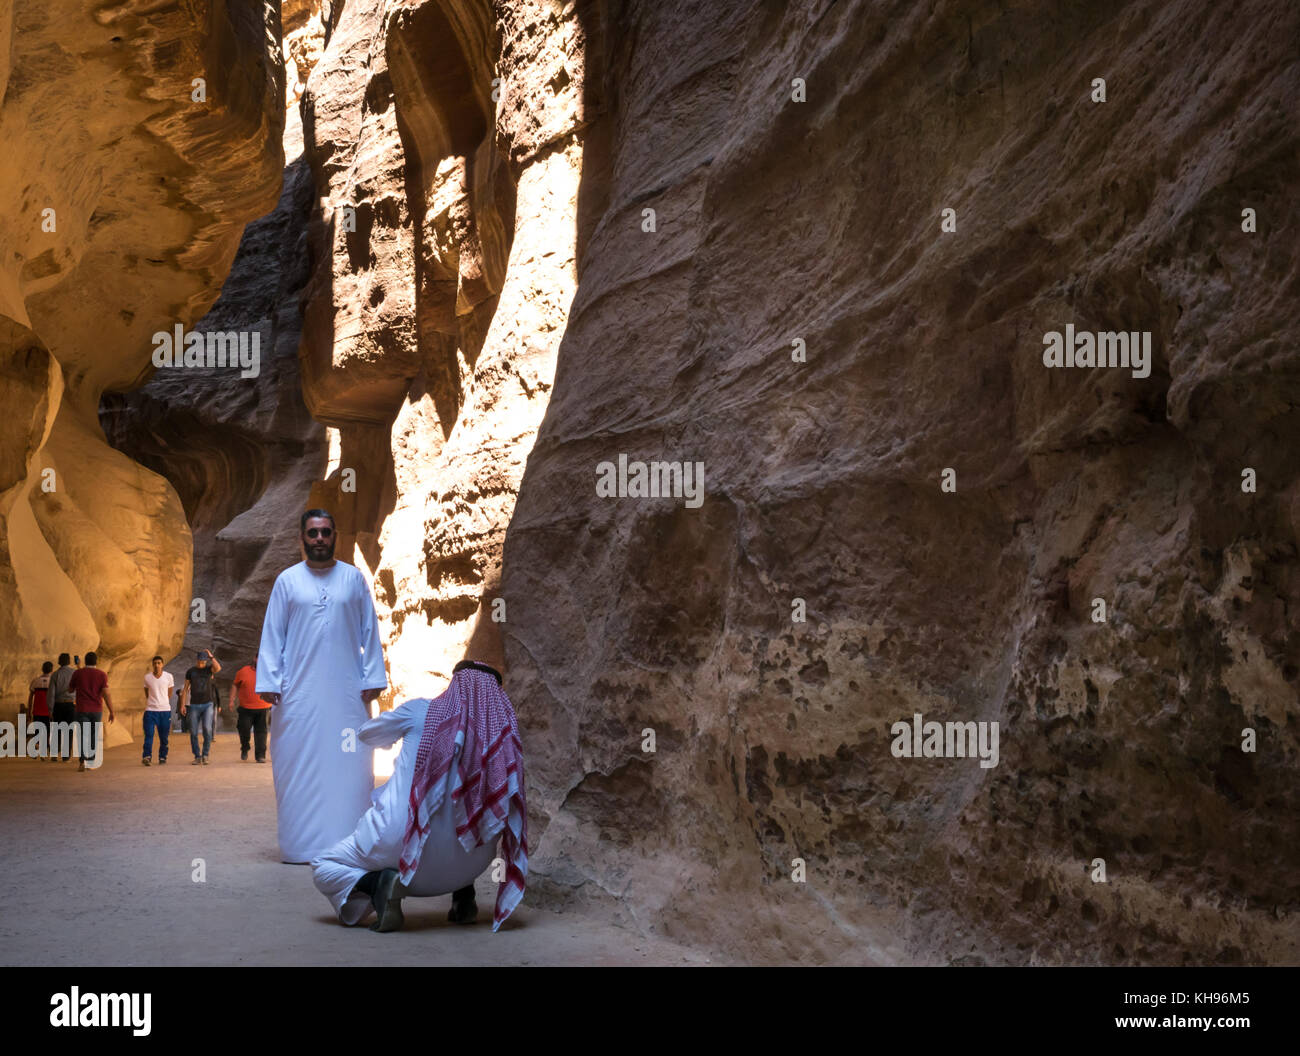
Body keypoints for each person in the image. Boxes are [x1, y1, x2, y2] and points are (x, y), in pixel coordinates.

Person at [310, 660, 527, 932]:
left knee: (323, 864)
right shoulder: (503, 736)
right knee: (469, 812)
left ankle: (380, 885)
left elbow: (367, 734)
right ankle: (463, 897)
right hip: (473, 863)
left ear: (454, 684)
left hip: (398, 849)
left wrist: (396, 736)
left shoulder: (419, 711)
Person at [256, 509, 387, 863]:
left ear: (334, 536)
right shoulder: (287, 581)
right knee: (295, 763)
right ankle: (301, 847)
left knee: (351, 765)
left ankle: (350, 846)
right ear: (302, 537)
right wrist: (269, 680)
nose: (319, 539)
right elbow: (273, 634)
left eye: (325, 532)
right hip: (298, 695)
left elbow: (369, 631)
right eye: (313, 533)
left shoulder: (353, 579)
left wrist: (373, 677)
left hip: (347, 693)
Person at [68, 651, 115, 772]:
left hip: (81, 709)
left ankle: (82, 761)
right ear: (96, 661)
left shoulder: (78, 673)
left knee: (82, 735)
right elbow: (106, 694)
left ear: (85, 661)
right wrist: (111, 711)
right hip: (96, 710)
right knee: (93, 735)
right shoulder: (102, 675)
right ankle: (91, 760)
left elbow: (70, 689)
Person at [181, 649, 221, 765]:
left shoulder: (209, 670)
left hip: (208, 704)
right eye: (199, 661)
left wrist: (211, 657)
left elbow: (218, 668)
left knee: (207, 729)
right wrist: (183, 705)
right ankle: (197, 756)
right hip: (194, 705)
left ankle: (205, 755)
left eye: (203, 661)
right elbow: (185, 689)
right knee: (193, 731)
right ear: (197, 660)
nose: (201, 663)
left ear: (205, 661)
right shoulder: (191, 671)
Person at [230, 659, 270, 763]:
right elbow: (235, 685)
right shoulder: (243, 671)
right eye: (258, 658)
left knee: (261, 732)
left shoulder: (269, 671)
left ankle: (260, 755)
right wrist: (231, 700)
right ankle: (245, 747)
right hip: (245, 708)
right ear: (255, 659)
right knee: (244, 729)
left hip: (263, 707)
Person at [142, 655, 174, 766]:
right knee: (149, 734)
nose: (157, 665)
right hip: (150, 710)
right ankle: (147, 756)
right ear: (152, 665)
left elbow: (169, 693)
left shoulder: (169, 677)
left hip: (165, 711)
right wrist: (153, 702)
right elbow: (147, 693)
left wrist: (162, 702)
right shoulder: (147, 677)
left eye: (159, 663)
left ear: (162, 664)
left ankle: (162, 756)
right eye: (155, 663)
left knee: (164, 737)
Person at [48, 654, 76, 762]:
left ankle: (54, 754)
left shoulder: (55, 675)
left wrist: (50, 709)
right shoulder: (74, 673)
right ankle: (66, 756)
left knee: (56, 729)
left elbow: (51, 694)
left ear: (59, 661)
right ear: (69, 661)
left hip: (58, 705)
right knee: (69, 730)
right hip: (70, 705)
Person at [26, 661, 54, 760]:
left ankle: (37, 748)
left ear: (42, 669)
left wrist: (29, 710)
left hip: (37, 711)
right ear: (52, 670)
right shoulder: (52, 681)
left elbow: (30, 697)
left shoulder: (35, 681)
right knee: (47, 732)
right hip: (48, 712)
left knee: (37, 732)